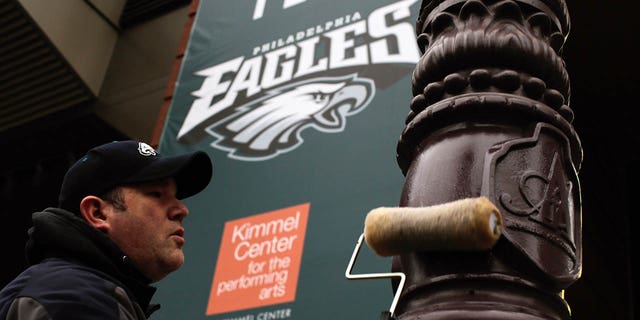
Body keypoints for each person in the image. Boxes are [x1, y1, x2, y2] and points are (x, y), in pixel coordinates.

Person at [0, 140, 213, 319]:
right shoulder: (73, 297)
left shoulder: (81, 291)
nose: (181, 209)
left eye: (176, 196)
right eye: (157, 194)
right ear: (98, 213)